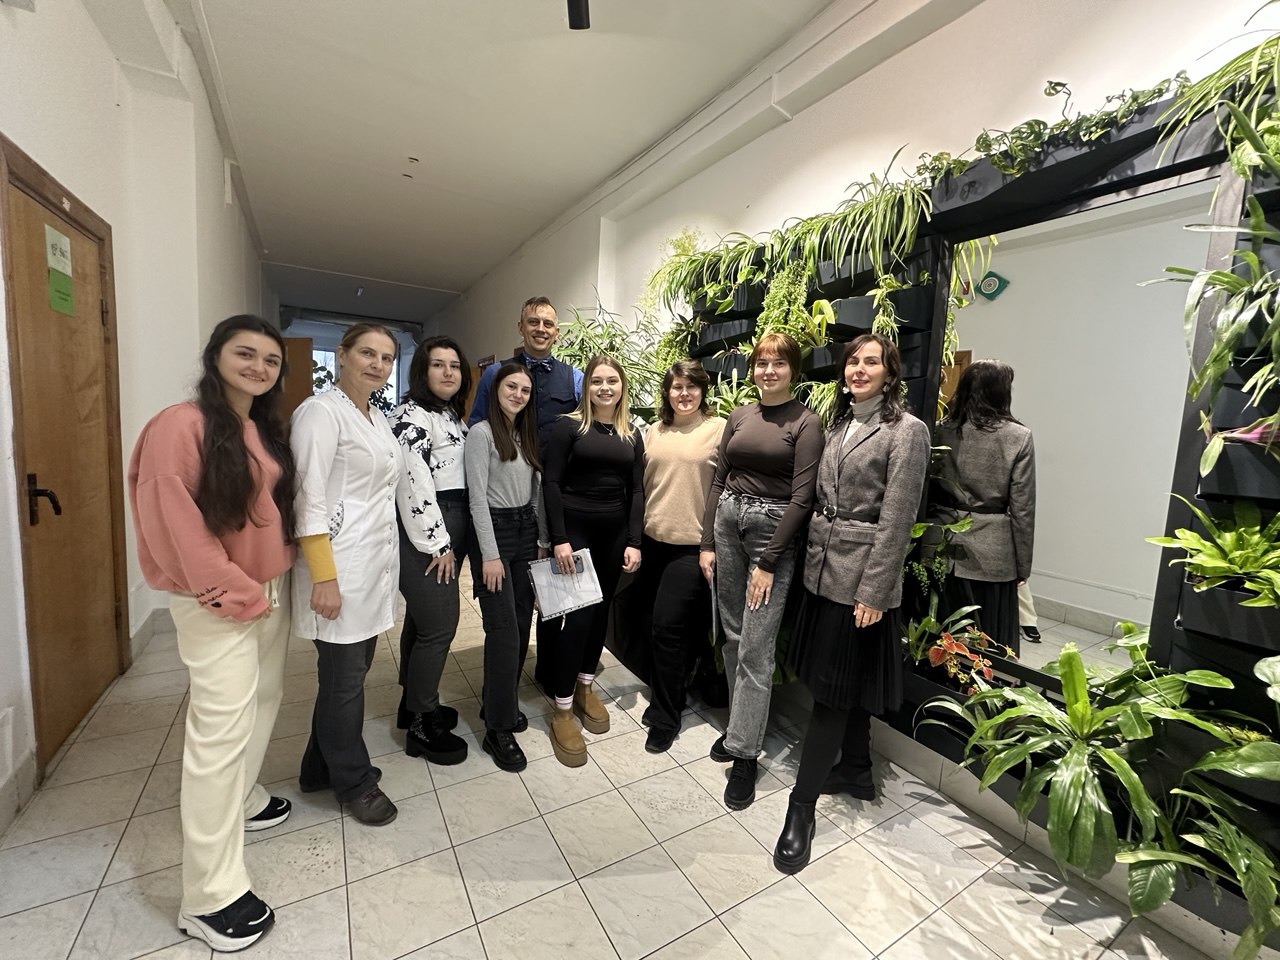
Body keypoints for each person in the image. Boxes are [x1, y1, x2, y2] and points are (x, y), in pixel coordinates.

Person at [129, 315, 296, 952]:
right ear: (215, 356)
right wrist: (231, 590)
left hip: (267, 589)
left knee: (263, 702)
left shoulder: (258, 427)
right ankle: (208, 896)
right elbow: (173, 518)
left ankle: (244, 800)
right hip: (219, 602)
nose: (258, 367)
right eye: (245, 354)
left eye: (270, 360)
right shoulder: (180, 424)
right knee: (218, 738)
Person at [771, 333, 930, 874]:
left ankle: (801, 808)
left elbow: (898, 520)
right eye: (853, 361)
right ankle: (857, 770)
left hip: (861, 581)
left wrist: (874, 591)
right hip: (821, 571)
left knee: (832, 696)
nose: (859, 369)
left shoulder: (907, 431)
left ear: (890, 372)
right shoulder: (839, 425)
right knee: (843, 683)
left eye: (871, 362)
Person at [700, 332, 823, 810]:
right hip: (728, 522)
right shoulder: (740, 416)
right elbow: (719, 479)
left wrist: (770, 561)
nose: (769, 371)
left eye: (778, 363)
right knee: (733, 637)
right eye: (761, 363)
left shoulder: (806, 422)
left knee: (756, 645)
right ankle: (740, 730)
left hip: (770, 534)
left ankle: (745, 754)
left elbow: (803, 498)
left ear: (793, 370)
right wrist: (707, 541)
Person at [291, 322, 406, 826]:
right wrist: (323, 577)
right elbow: (307, 496)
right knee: (344, 684)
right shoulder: (320, 412)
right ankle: (354, 782)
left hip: (370, 568)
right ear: (341, 355)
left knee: (349, 676)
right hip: (337, 569)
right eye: (367, 353)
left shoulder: (375, 417)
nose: (377, 364)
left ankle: (317, 768)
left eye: (386, 357)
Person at [466, 296, 583, 695]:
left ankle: (550, 677)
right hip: (507, 498)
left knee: (549, 593)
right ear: (521, 327)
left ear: (557, 331)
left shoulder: (574, 378)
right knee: (508, 612)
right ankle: (503, 689)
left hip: (553, 499)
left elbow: (584, 430)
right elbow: (479, 428)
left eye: (548, 323)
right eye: (533, 322)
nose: (540, 329)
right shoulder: (494, 374)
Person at [541, 355, 645, 766]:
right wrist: (559, 539)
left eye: (612, 381)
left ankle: (585, 686)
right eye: (597, 381)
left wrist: (634, 541)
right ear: (587, 387)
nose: (605, 387)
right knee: (577, 618)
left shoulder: (631, 433)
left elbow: (636, 490)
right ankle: (563, 707)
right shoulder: (569, 427)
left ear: (622, 387)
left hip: (614, 535)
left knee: (601, 614)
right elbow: (551, 482)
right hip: (576, 533)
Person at [388, 336, 472, 765]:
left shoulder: (447, 414)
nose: (448, 372)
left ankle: (413, 705)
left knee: (422, 623)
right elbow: (413, 484)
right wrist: (438, 542)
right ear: (421, 371)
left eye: (454, 365)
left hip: (449, 522)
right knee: (440, 626)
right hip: (427, 532)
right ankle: (422, 725)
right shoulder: (410, 415)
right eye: (438, 364)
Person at [639, 360, 725, 753]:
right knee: (662, 628)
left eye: (692, 387)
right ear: (667, 392)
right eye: (677, 387)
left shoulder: (718, 429)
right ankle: (671, 692)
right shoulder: (653, 432)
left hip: (692, 546)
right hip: (652, 542)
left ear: (703, 391)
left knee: (666, 628)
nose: (684, 394)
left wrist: (712, 544)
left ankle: (665, 716)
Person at [465, 362, 548, 772]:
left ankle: (500, 703)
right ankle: (497, 730)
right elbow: (477, 499)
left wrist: (538, 540)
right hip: (494, 535)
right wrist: (490, 555)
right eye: (511, 387)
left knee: (520, 623)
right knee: (503, 632)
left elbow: (534, 491)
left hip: (524, 532)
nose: (518, 394)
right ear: (496, 389)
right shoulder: (481, 434)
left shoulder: (525, 434)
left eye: (525, 390)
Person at [930, 359, 1036, 655]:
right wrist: (1023, 565)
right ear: (1002, 392)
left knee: (939, 638)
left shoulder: (940, 430)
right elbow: (1023, 509)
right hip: (992, 555)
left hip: (941, 542)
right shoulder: (1018, 437)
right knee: (988, 645)